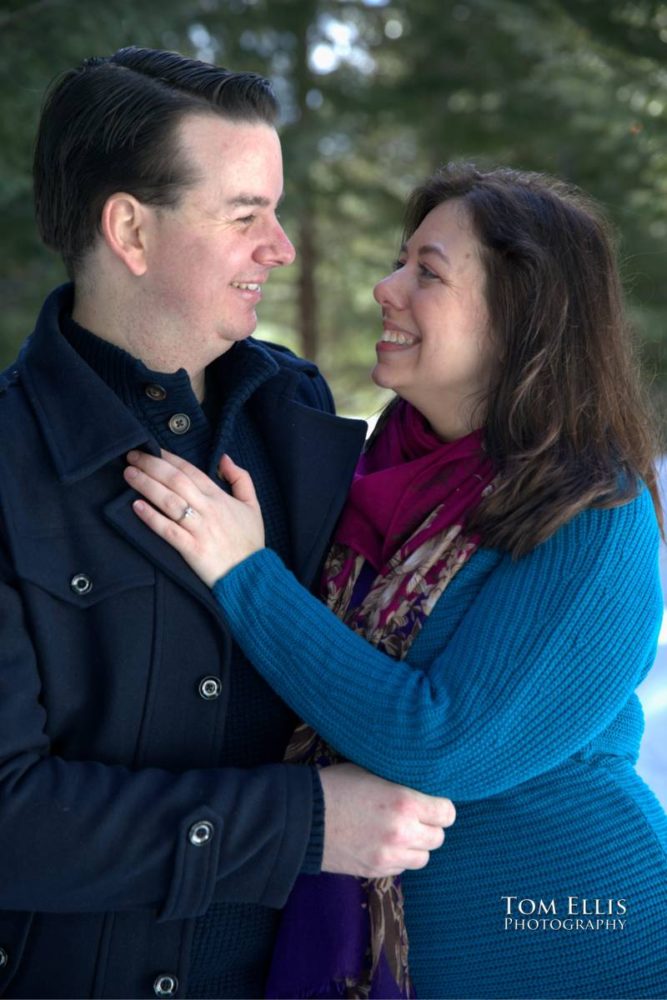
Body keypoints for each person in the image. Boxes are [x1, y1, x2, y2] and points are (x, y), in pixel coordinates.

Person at [126, 163, 667, 999]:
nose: (386, 287)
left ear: (521, 315)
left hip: (571, 941)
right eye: (397, 259)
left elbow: (442, 742)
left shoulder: (594, 514)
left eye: (428, 271)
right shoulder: (379, 470)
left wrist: (244, 573)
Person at [0, 47, 457, 999]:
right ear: (128, 228)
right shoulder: (7, 460)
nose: (281, 247)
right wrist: (302, 824)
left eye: (277, 211)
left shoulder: (298, 412)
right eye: (245, 214)